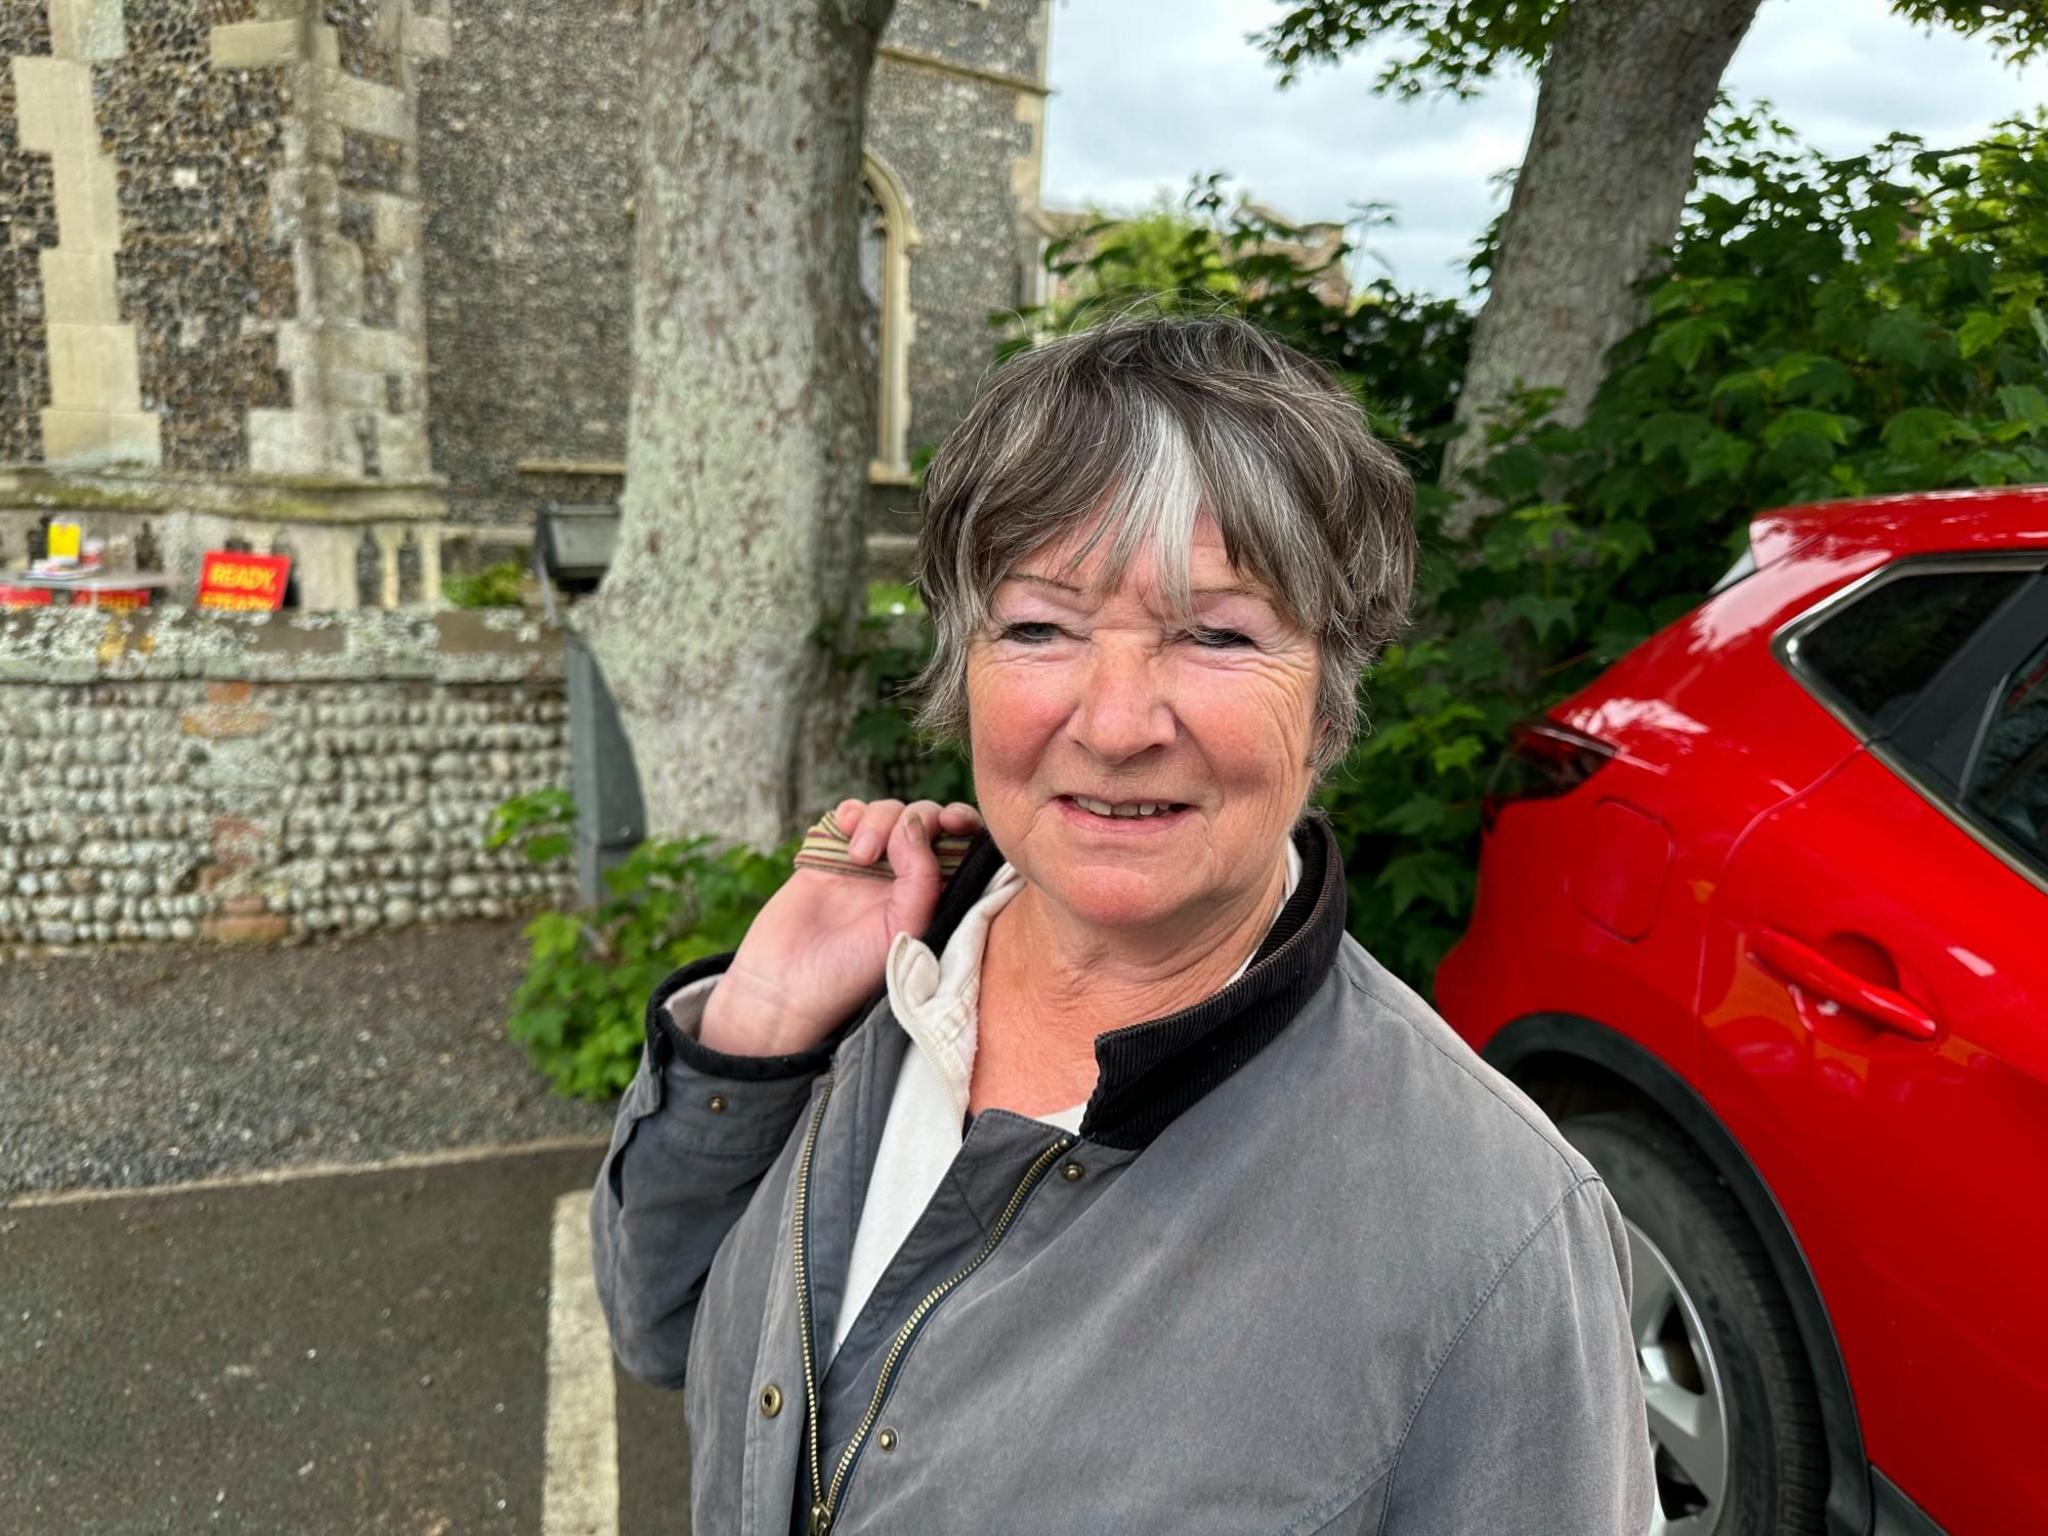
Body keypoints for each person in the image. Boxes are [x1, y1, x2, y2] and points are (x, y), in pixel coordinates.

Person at [591, 312, 1656, 1535]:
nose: (1112, 723)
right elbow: (657, 1320)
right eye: (1039, 625)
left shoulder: (1495, 1236)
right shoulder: (872, 1003)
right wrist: (755, 1028)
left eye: (1215, 633)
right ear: (962, 669)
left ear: (1325, 699)